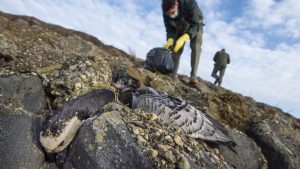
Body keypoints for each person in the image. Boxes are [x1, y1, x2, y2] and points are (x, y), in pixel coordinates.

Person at [162, 0, 204, 85]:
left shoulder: (190, 3)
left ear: (176, 3)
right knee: (175, 48)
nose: (171, 15)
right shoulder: (166, 11)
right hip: (180, 25)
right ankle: (173, 74)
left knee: (196, 48)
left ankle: (193, 76)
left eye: (173, 12)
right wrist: (170, 39)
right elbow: (169, 28)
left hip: (195, 24)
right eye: (169, 14)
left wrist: (185, 37)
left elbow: (194, 25)